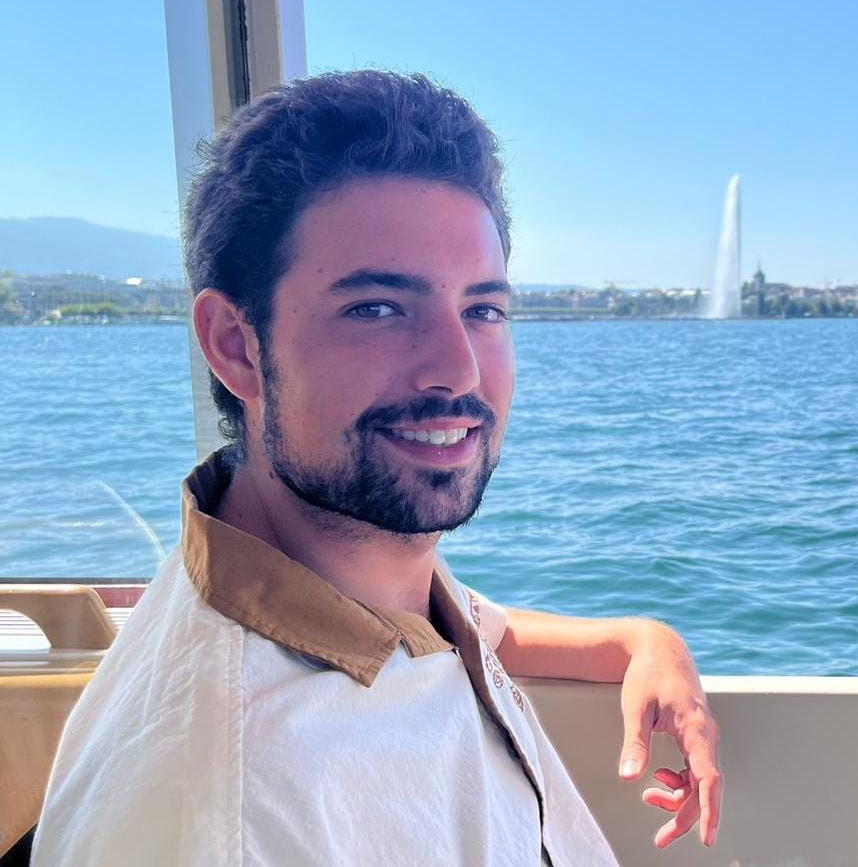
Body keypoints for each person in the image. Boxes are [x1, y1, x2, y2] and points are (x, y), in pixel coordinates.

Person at [33, 71, 721, 865]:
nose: (458, 369)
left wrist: (643, 639)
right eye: (377, 308)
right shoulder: (234, 810)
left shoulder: (340, 563)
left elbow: (470, 629)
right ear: (235, 345)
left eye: (483, 309)